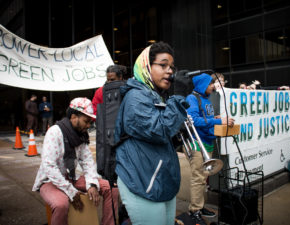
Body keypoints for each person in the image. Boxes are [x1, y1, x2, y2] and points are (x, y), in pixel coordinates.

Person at [114, 42, 188, 225]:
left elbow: (164, 135)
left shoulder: (155, 95)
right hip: (142, 181)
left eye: (171, 66)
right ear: (146, 66)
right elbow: (159, 131)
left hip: (158, 179)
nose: (170, 71)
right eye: (163, 65)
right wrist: (178, 96)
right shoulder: (135, 97)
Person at [32, 97, 118, 225]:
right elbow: (49, 166)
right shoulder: (54, 132)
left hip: (71, 178)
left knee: (111, 189)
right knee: (61, 204)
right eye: (86, 121)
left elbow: (87, 161)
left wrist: (92, 184)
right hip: (49, 180)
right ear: (73, 117)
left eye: (90, 122)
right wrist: (71, 191)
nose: (88, 126)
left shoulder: (81, 135)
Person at [185, 74, 235, 225]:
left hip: (207, 142)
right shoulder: (191, 98)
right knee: (198, 178)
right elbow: (194, 120)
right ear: (201, 85)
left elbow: (205, 117)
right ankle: (194, 210)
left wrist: (217, 117)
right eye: (210, 84)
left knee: (204, 178)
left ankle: (200, 206)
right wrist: (218, 120)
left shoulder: (205, 99)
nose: (213, 87)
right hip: (196, 143)